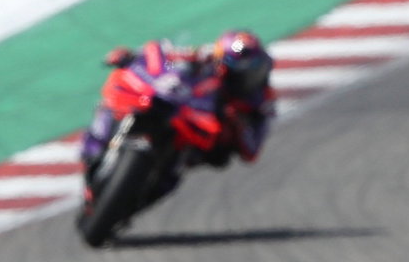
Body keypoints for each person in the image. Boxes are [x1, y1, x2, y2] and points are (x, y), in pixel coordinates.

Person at [79, 29, 276, 184]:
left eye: (253, 73)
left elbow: (252, 151)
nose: (247, 79)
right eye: (239, 73)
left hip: (204, 143)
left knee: (191, 165)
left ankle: (157, 179)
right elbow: (170, 61)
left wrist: (236, 123)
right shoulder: (205, 61)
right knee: (120, 101)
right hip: (179, 110)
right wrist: (134, 58)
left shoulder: (259, 102)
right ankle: (100, 140)